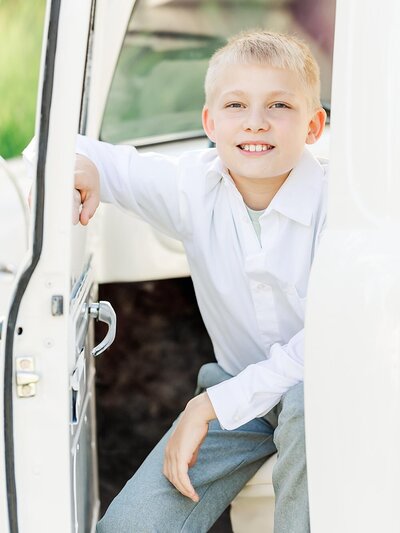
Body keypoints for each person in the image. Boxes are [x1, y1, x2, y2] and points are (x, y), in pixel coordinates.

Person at [73, 30, 327, 532]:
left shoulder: (341, 209)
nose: (256, 121)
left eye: (279, 104)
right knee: (131, 527)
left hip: (328, 390)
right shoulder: (193, 186)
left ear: (314, 125)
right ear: (209, 122)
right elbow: (62, 144)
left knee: (306, 401)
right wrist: (77, 169)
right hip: (238, 394)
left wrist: (209, 406)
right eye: (236, 104)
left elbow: (328, 344)